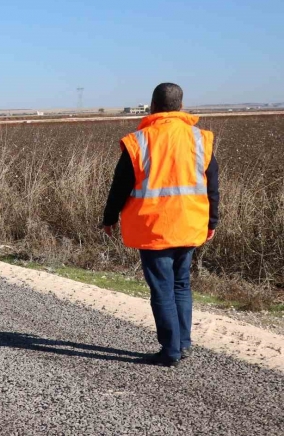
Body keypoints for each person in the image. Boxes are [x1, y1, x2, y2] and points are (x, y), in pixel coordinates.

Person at [102, 83, 219, 368]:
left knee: (163, 289)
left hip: (154, 227)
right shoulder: (199, 138)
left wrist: (109, 217)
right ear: (180, 105)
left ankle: (170, 351)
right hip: (190, 223)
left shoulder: (140, 140)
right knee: (181, 285)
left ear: (152, 106)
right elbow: (212, 185)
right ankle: (184, 344)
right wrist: (211, 220)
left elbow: (120, 186)